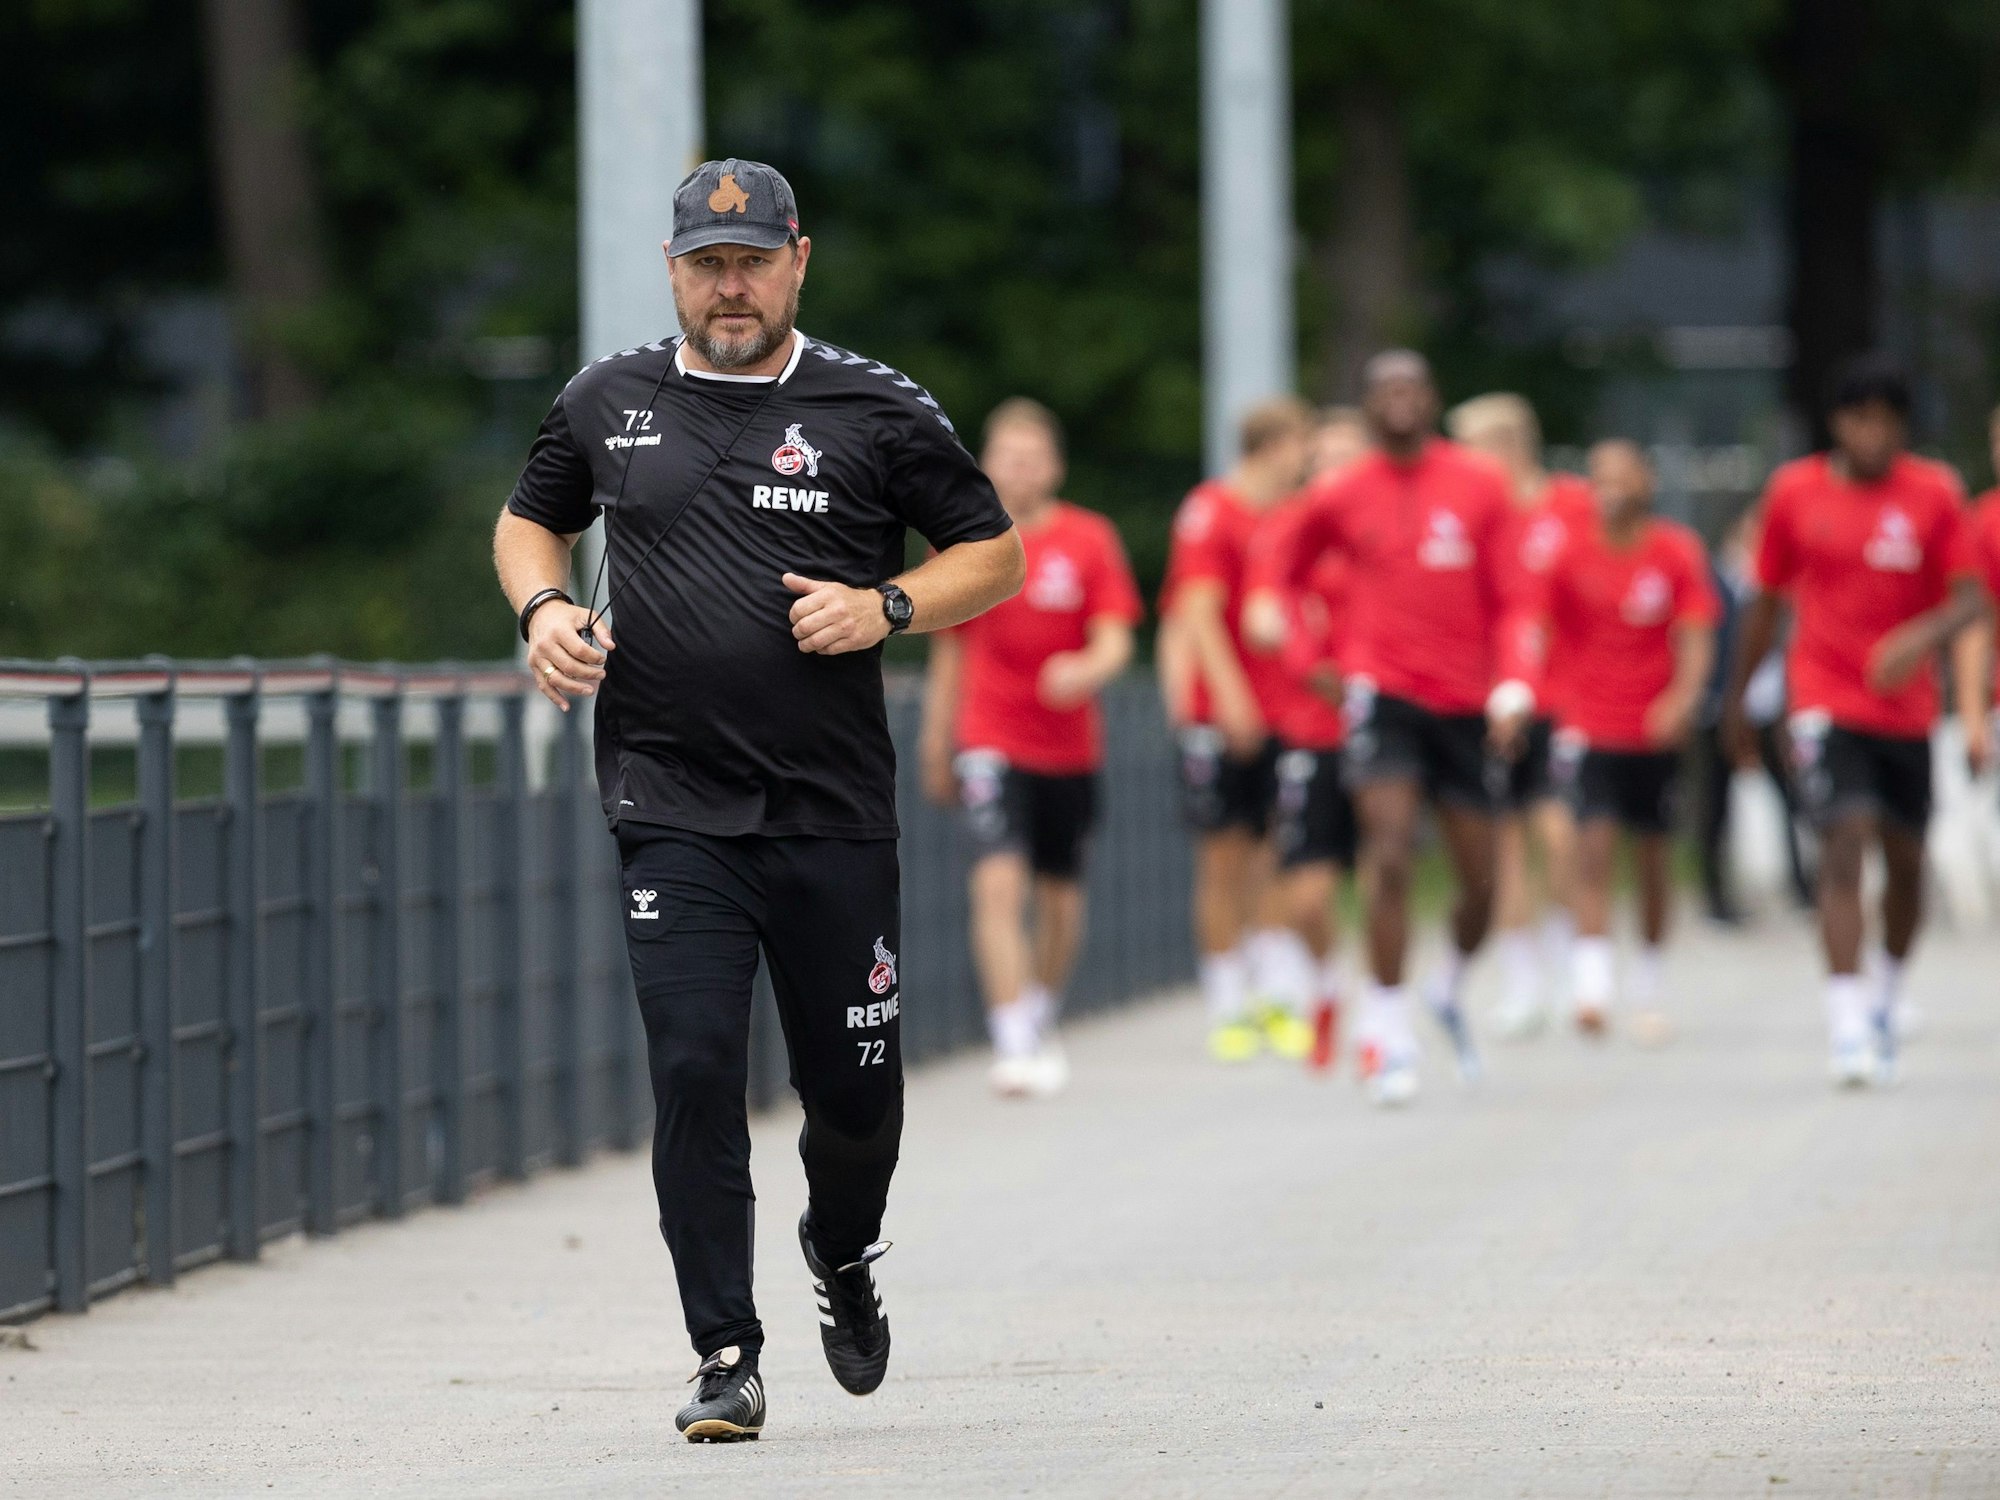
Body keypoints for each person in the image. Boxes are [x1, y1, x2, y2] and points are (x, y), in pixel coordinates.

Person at [494, 159, 1024, 1441]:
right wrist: (544, 607)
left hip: (831, 811)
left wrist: (886, 604)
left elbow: (996, 553)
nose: (727, 287)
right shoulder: (606, 397)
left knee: (855, 1098)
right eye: (703, 264)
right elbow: (527, 522)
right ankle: (724, 1350)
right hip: (669, 801)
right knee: (690, 1067)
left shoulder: (873, 407)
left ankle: (841, 1251)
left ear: (797, 260)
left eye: (750, 261)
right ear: (672, 270)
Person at [1246, 351, 1537, 1106]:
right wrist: (1313, 657)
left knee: (1480, 879)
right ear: (1368, 406)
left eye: (1413, 386)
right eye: (1385, 390)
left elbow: (1516, 597)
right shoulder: (1342, 493)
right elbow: (1280, 569)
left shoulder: (1479, 485)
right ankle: (1387, 1028)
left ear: (1432, 398)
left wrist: (1515, 685)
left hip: (1468, 701)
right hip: (1380, 693)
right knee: (1389, 844)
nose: (1401, 400)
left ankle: (1446, 986)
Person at [1723, 356, 1987, 1088]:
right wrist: (1739, 701)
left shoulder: (1933, 494)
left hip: (1903, 710)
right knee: (1844, 840)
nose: (1873, 433)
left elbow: (1970, 600)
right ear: (1837, 423)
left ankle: (1887, 993)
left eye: (1887, 420)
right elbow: (1765, 603)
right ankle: (1844, 1023)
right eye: (1859, 417)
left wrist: (1918, 638)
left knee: (1905, 865)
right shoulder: (1795, 493)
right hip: (1823, 698)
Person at [918, 398, 1141, 1097]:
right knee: (996, 880)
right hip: (990, 736)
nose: (1019, 469)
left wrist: (1088, 669)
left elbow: (1116, 634)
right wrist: (936, 741)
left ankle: (1040, 1005)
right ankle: (1012, 1033)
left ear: (1055, 467)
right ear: (985, 464)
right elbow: (948, 653)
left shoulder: (1089, 538)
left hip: (1067, 746)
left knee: (1061, 898)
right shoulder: (960, 541)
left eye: (1032, 457)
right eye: (1006, 456)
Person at [1533, 441, 1718, 1041]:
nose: (1610, 488)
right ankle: (1592, 984)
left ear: (1646, 481)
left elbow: (1696, 633)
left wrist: (1682, 699)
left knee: (1654, 859)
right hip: (1588, 723)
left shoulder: (1675, 551)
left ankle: (1651, 980)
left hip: (1653, 727)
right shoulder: (1569, 553)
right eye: (1600, 477)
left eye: (1622, 475)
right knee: (1591, 846)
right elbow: (1536, 626)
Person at [1161, 396, 1317, 1064]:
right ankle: (1227, 1000)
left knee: (1278, 847)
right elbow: (1197, 612)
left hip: (1288, 707)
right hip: (1222, 712)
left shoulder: (1292, 516)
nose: (1308, 457)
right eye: (1302, 443)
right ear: (1278, 445)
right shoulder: (1212, 510)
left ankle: (1274, 991)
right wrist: (1229, 699)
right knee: (1221, 856)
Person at [1446, 393, 1597, 1039]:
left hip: (1564, 695)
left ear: (1506, 447)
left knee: (1562, 834)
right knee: (1501, 840)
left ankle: (1574, 961)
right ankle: (1522, 979)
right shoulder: (1470, 515)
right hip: (1491, 695)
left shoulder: (1572, 507)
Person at [1269, 407, 1373, 1067]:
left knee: (1381, 874)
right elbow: (1267, 604)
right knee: (1307, 893)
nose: (1334, 471)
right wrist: (1307, 659)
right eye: (1323, 458)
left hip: (1379, 723)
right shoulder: (1291, 529)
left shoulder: (1384, 529)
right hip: (1311, 725)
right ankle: (1328, 987)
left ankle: (1377, 1019)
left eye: (1347, 458)